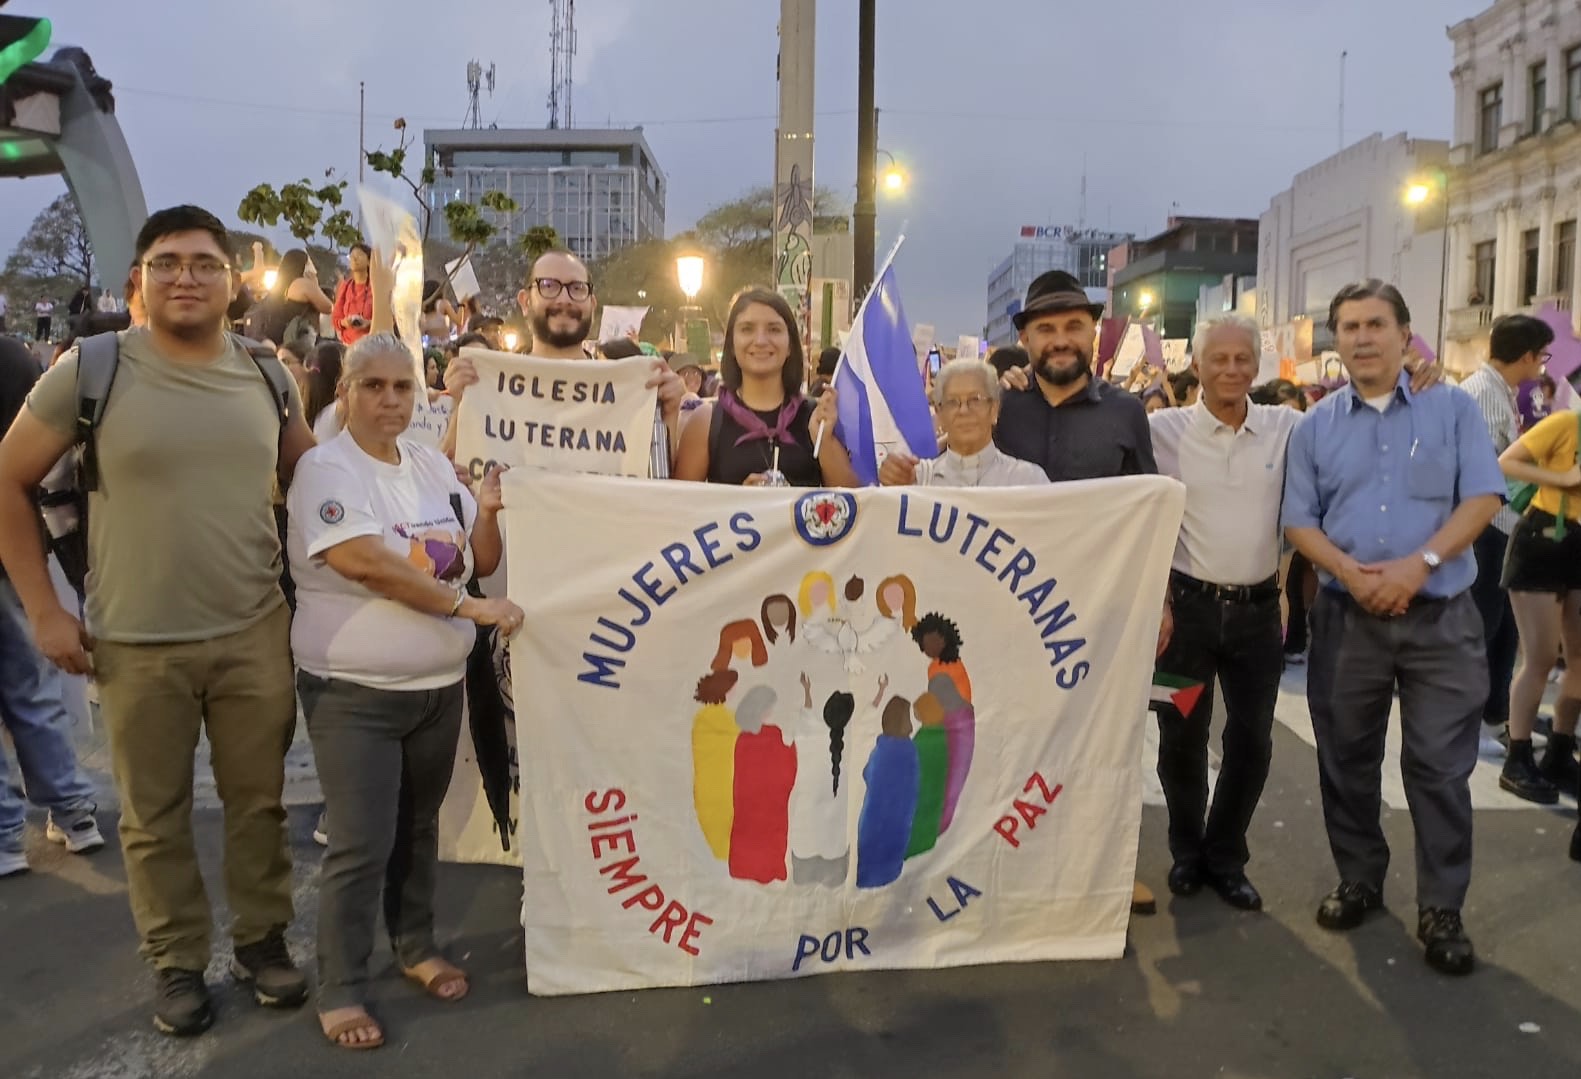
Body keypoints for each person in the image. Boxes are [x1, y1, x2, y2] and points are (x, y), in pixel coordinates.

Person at [0, 205, 319, 1033]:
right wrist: (44, 608)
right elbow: (6, 479)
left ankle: (261, 941)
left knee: (260, 803)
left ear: (231, 281)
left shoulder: (267, 375)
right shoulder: (90, 369)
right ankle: (176, 963)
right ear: (139, 280)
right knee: (154, 816)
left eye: (205, 262)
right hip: (133, 639)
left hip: (255, 628)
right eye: (168, 261)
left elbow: (321, 483)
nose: (186, 276)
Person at [287, 332, 521, 1050]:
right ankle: (341, 986)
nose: (389, 399)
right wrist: (465, 610)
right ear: (344, 392)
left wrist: (484, 508)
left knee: (419, 829)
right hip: (354, 688)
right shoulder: (324, 469)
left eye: (402, 388)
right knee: (361, 841)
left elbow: (475, 559)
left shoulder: (427, 463)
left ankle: (414, 945)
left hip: (437, 686)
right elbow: (364, 562)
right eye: (373, 386)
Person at [1283, 279, 1503, 976]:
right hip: (1349, 619)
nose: (1361, 337)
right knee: (1345, 760)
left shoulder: (1451, 410)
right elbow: (1297, 521)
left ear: (1405, 334)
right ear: (1335, 340)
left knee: (1439, 769)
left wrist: (1420, 563)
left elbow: (1482, 497)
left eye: (1375, 323)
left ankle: (1442, 904)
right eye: (1347, 326)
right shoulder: (1313, 427)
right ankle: (1360, 876)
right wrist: (1350, 573)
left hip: (1441, 617)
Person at [991, 269, 1165, 916]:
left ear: (1092, 334)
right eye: (1045, 329)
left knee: (1103, 745)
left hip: (1100, 615)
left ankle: (1106, 871)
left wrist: (1161, 602)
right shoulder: (997, 407)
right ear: (1026, 340)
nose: (1059, 340)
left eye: (1071, 327)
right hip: (1009, 615)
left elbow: (1145, 509)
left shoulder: (1125, 413)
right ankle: (1011, 871)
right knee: (1013, 743)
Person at [1146, 316, 1305, 913]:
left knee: (1252, 740)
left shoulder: (1287, 428)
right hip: (1182, 618)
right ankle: (1186, 852)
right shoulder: (1160, 430)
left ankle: (1226, 854)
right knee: (1179, 738)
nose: (1232, 370)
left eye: (1243, 359)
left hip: (1257, 617)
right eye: (1219, 359)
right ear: (1199, 364)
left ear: (1257, 365)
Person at [0, 335, 103, 879]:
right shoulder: (17, 360)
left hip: (18, 551)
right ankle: (72, 810)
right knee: (32, 691)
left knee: (27, 688)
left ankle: (4, 833)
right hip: (23, 554)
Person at [439, 250, 683, 475]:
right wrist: (462, 406)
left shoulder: (626, 393)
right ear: (525, 301)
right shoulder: (487, 386)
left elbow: (654, 487)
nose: (564, 299)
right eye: (549, 286)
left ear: (592, 303)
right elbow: (446, 479)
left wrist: (667, 414)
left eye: (577, 288)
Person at [1464, 315, 1551, 782]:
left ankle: (1497, 713)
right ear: (1527, 355)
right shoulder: (1483, 392)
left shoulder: (1496, 390)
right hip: (1487, 523)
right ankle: (1471, 722)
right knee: (1483, 625)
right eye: (1543, 356)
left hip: (1502, 522)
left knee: (1502, 630)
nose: (1542, 366)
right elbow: (1499, 462)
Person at [1496, 374, 1581, 808]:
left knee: (1580, 662)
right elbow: (1506, 462)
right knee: (1541, 658)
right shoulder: (1567, 424)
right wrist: (1563, 477)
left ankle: (1561, 753)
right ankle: (1518, 757)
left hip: (1577, 547)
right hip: (1542, 542)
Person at [674, 288, 858, 487]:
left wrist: (823, 440)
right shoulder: (706, 422)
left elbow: (853, 505)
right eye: (747, 329)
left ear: (789, 345)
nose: (761, 341)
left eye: (774, 329)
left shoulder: (818, 417)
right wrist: (738, 504)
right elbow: (683, 510)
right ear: (732, 345)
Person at [880, 358, 1047, 487]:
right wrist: (894, 484)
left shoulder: (1028, 480)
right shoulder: (918, 479)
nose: (964, 411)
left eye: (975, 399)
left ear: (994, 409)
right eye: (952, 402)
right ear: (939, 414)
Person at [258, 249, 332, 348]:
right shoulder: (304, 284)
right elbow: (328, 307)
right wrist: (315, 285)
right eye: (309, 262)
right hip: (296, 338)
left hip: (276, 337)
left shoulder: (278, 285)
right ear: (304, 265)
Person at [332, 242, 374, 347]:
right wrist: (344, 323)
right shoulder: (346, 286)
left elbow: (389, 319)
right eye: (352, 256)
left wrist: (368, 323)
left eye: (359, 255)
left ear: (369, 261)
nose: (354, 259)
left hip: (371, 346)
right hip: (348, 346)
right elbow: (336, 318)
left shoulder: (376, 287)